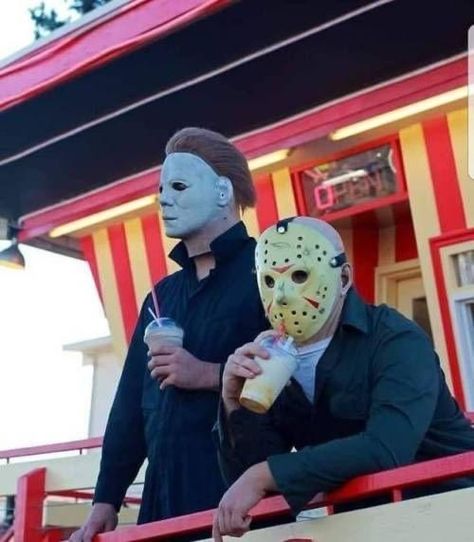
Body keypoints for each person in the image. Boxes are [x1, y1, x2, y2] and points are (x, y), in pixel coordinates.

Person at [212, 216, 474, 540]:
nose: (281, 296)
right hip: (361, 527)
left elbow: (386, 447)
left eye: (300, 275)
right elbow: (249, 479)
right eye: (269, 281)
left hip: (453, 515)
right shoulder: (270, 360)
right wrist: (233, 405)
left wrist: (263, 475)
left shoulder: (395, 339)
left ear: (344, 277)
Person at [70, 127, 269, 542]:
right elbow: (129, 407)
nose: (163, 198)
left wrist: (207, 374)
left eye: (178, 185)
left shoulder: (269, 274)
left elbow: (306, 373)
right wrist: (106, 499)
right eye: (161, 188)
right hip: (161, 507)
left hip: (240, 507)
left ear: (222, 192)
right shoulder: (160, 297)